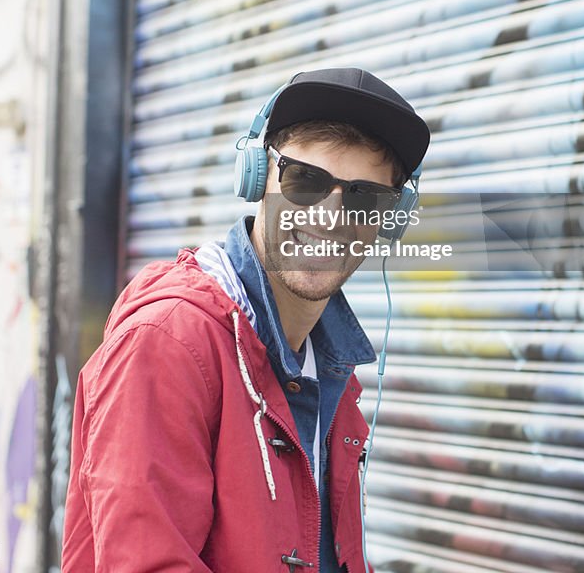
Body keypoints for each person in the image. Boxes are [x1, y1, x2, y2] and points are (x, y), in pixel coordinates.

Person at [61, 67, 430, 572]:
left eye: (366, 198)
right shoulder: (168, 343)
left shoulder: (329, 371)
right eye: (307, 180)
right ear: (258, 177)